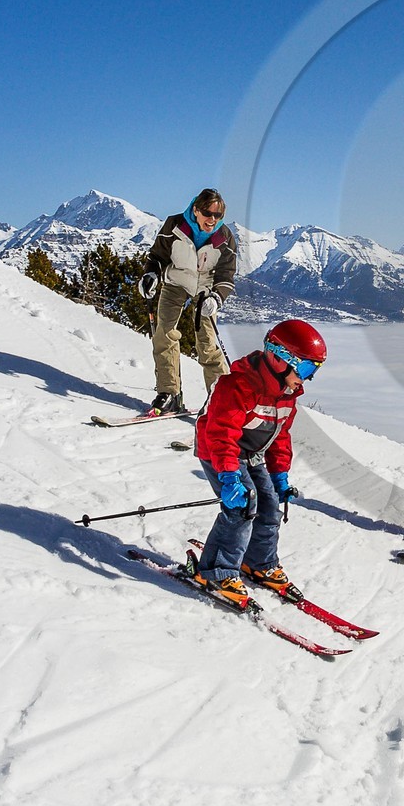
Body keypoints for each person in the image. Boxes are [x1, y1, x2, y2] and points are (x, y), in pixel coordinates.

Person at [192, 319, 327, 607]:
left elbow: (279, 436)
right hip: (220, 452)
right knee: (241, 506)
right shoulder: (238, 386)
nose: (307, 378)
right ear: (280, 360)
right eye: (305, 369)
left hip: (250, 454)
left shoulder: (286, 395)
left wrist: (280, 476)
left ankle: (258, 562)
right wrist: (229, 477)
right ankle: (216, 571)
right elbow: (221, 435)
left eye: (313, 371)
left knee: (268, 504)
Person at [140, 188, 238, 414]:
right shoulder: (174, 226)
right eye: (208, 213)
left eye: (218, 215)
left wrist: (217, 296)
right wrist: (151, 274)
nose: (212, 219)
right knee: (163, 334)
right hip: (176, 283)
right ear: (196, 210)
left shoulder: (224, 237)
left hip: (205, 289)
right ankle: (169, 393)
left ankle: (220, 400)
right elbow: (157, 257)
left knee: (206, 343)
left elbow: (227, 274)